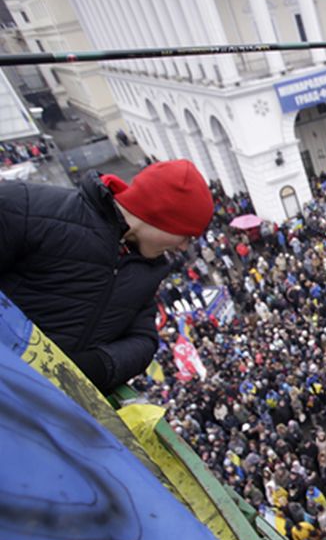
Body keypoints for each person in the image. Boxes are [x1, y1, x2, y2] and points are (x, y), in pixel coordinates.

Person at [0, 159, 213, 393]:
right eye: (185, 236)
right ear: (162, 218)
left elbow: (143, 340)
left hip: (45, 402)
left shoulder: (149, 269)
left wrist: (96, 366)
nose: (183, 248)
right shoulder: (26, 207)